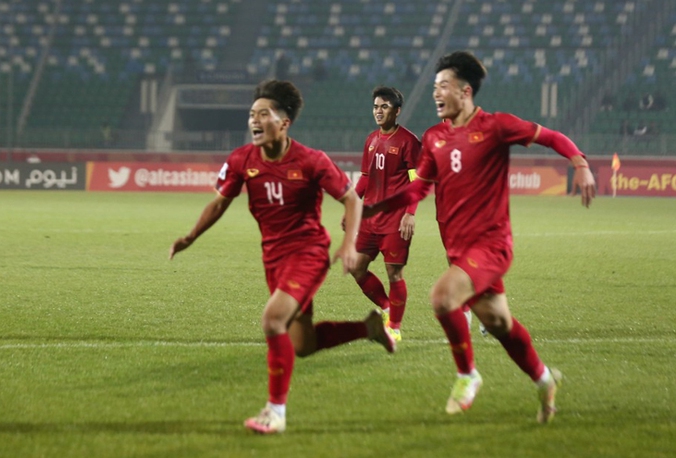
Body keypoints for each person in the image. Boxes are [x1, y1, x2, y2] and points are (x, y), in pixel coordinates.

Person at [363, 51, 596, 424]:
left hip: (492, 245)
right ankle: (544, 379)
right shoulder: (435, 136)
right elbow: (418, 188)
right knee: (500, 323)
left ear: (465, 90)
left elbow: (550, 136)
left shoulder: (496, 126)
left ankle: (467, 374)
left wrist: (580, 163)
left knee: (442, 296)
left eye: (444, 86)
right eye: (435, 87)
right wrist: (375, 208)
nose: (437, 93)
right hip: (459, 248)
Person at [169, 80, 396, 434]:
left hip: (308, 254)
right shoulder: (242, 160)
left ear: (284, 122)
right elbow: (219, 202)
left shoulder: (311, 160)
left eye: (263, 114)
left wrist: (349, 245)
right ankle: (368, 328)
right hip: (273, 259)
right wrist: (190, 236)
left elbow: (352, 199)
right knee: (302, 345)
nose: (254, 121)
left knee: (272, 321)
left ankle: (275, 412)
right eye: (251, 114)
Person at [345, 86, 421, 342]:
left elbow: (416, 181)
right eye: (376, 106)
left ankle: (395, 328)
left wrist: (410, 213)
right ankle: (388, 308)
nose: (378, 111)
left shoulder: (408, 142)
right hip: (370, 219)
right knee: (356, 267)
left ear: (397, 111)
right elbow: (366, 177)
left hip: (395, 220)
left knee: (394, 274)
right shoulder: (371, 140)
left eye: (384, 107)